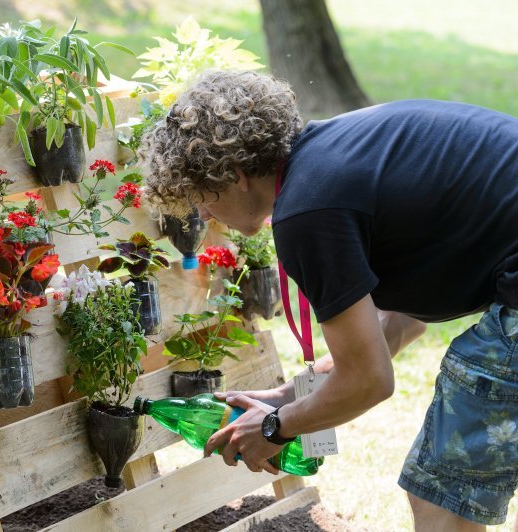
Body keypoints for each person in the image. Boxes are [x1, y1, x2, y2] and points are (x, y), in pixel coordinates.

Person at [140, 69, 518, 531]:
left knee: (441, 498)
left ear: (235, 175)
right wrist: (295, 394)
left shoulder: (308, 211)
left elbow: (371, 381)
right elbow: (402, 322)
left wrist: (275, 427)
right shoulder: (334, 154)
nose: (201, 213)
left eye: (201, 195)